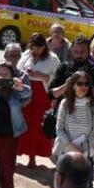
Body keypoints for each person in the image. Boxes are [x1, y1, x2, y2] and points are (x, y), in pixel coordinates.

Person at [17, 33, 59, 168]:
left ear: (44, 47)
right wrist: (26, 73)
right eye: (33, 48)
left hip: (42, 95)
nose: (35, 51)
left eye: (38, 48)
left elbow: (57, 78)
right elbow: (18, 70)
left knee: (37, 127)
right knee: (23, 124)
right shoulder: (27, 55)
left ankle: (33, 157)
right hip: (26, 92)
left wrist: (43, 76)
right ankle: (18, 151)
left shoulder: (52, 58)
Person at [52, 71, 94, 168]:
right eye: (79, 84)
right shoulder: (65, 103)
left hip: (85, 154)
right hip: (65, 151)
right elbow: (59, 129)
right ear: (73, 86)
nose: (83, 87)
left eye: (86, 84)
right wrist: (71, 147)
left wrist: (80, 150)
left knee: (83, 182)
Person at [48, 34, 94, 108]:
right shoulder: (64, 67)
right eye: (76, 51)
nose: (79, 54)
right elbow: (51, 95)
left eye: (83, 51)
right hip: (64, 114)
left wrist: (90, 88)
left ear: (89, 51)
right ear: (71, 50)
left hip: (88, 115)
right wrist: (66, 85)